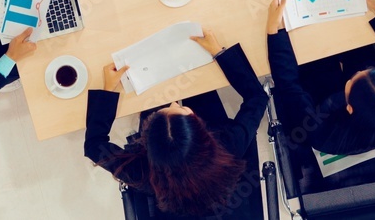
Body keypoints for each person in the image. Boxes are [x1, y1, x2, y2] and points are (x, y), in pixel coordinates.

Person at [83, 31, 267, 217]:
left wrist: (107, 90)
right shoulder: (229, 146)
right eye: (177, 108)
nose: (173, 102)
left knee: (152, 86)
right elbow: (257, 98)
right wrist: (219, 53)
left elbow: (93, 146)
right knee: (195, 75)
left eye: (164, 110)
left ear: (147, 142)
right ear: (197, 122)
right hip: (210, 134)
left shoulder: (142, 173)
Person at [267, 0, 375, 155]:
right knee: (356, 37)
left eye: (355, 77)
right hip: (357, 96)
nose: (359, 72)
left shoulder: (321, 135)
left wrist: (274, 32)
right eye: (368, 72)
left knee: (311, 48)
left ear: (349, 107)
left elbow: (289, 86)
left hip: (322, 101)